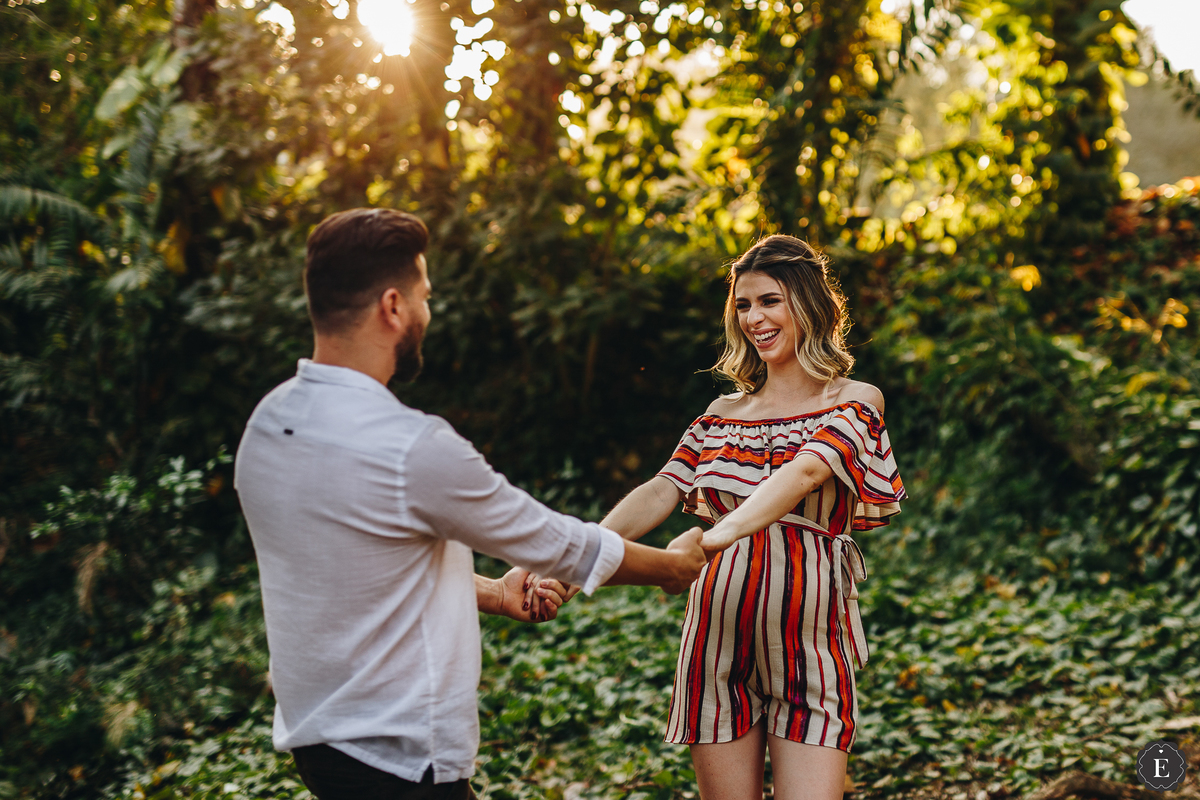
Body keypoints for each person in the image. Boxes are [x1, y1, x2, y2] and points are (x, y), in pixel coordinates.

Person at [233, 208, 707, 800]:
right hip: (402, 760)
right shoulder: (409, 446)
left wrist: (496, 595)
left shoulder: (269, 424)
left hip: (320, 746)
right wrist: (674, 568)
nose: (428, 312)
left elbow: (364, 568)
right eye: (424, 297)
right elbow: (556, 544)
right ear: (393, 307)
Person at [599, 235, 906, 800]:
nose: (753, 318)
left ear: (809, 304)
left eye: (769, 301)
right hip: (715, 639)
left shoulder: (854, 399)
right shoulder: (722, 414)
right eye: (743, 305)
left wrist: (714, 537)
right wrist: (581, 557)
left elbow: (805, 475)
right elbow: (662, 489)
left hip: (809, 644)